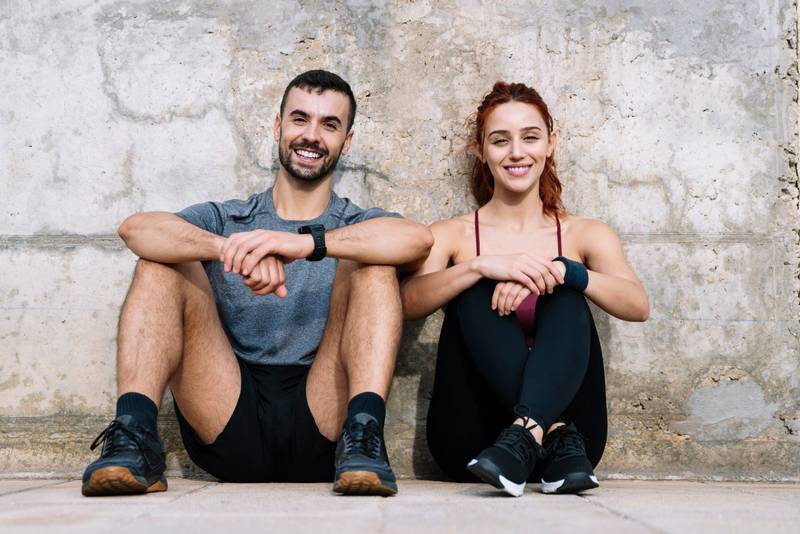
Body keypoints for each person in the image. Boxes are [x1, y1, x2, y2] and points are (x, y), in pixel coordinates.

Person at [81, 70, 433, 497]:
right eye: (300, 119)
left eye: (329, 124)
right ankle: (135, 441)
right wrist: (230, 248)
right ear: (277, 126)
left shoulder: (354, 223)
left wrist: (306, 244)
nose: (312, 135)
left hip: (324, 421)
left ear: (347, 141)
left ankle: (364, 437)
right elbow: (136, 229)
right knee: (160, 263)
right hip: (228, 413)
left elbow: (417, 240)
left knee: (372, 266)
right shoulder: (230, 218)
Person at [401, 81, 649, 496]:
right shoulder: (453, 234)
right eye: (501, 141)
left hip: (573, 451)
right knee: (473, 291)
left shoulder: (584, 233)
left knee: (568, 289)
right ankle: (548, 430)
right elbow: (407, 302)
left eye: (530, 138)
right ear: (480, 150)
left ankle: (530, 432)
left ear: (550, 144)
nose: (517, 152)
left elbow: (637, 306)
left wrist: (565, 271)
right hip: (477, 444)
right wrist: (479, 267)